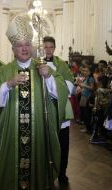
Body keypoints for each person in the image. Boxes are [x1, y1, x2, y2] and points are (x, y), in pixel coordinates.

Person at [0, 16, 72, 190]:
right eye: (19, 45)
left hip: (38, 129)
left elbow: (62, 91)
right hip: (11, 130)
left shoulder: (43, 68)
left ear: (32, 47)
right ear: (13, 49)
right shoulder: (4, 71)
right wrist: (7, 84)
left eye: (27, 44)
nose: (24, 48)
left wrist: (48, 77)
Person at [43, 36, 74, 183]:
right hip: (43, 109)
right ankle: (45, 172)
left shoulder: (62, 65)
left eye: (51, 47)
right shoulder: (37, 63)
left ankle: (62, 172)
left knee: (63, 144)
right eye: (46, 47)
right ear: (43, 48)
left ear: (54, 48)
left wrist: (53, 85)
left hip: (60, 108)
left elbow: (69, 86)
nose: (48, 49)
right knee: (45, 143)